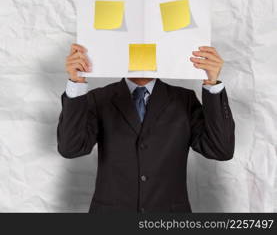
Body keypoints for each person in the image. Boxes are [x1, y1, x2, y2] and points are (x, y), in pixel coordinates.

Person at [57, 43, 235, 213]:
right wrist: (76, 84)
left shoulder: (184, 100)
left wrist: (212, 83)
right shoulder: (99, 99)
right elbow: (71, 148)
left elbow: (220, 149)